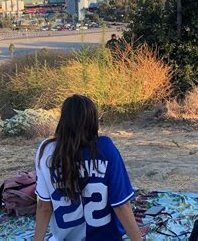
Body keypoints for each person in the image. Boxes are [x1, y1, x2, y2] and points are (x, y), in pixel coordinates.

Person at [34, 95, 141, 241]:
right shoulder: (105, 148)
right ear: (93, 120)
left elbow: (44, 207)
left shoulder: (46, 150)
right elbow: (121, 205)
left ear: (63, 120)